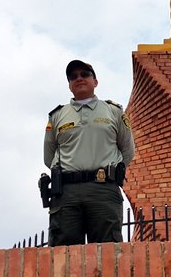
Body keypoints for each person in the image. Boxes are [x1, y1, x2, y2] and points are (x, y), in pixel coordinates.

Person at [43, 60, 135, 246]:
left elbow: (127, 149)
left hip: (102, 190)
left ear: (95, 81)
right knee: (63, 255)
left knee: (109, 253)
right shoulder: (57, 115)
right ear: (69, 85)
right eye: (73, 76)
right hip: (66, 193)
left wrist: (109, 170)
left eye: (84, 74)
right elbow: (49, 156)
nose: (79, 78)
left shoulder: (113, 111)